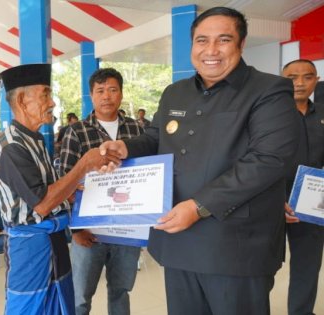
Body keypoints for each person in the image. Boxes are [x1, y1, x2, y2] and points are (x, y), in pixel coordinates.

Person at [109, 7, 301, 314]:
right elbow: (155, 138)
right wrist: (125, 148)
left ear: (241, 44)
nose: (211, 50)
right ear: (192, 46)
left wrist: (199, 206)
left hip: (235, 245)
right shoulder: (175, 92)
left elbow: (268, 160)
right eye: (201, 40)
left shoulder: (268, 90)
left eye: (223, 40)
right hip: (176, 239)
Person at [0, 63, 124, 314]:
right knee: (30, 308)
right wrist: (84, 164)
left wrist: (80, 193)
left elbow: (54, 192)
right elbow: (42, 203)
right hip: (30, 249)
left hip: (54, 242)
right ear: (21, 100)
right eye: (45, 94)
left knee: (61, 305)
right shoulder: (11, 147)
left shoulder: (35, 140)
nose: (52, 103)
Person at [60, 68, 143, 315]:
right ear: (91, 96)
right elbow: (66, 181)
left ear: (121, 93)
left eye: (112, 89)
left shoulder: (137, 130)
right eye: (100, 91)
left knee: (120, 292)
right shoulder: (76, 131)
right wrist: (76, 230)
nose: (106, 96)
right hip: (89, 230)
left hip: (127, 229)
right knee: (80, 298)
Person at [281, 59, 324, 315]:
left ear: (315, 81)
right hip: (270, 201)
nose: (299, 83)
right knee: (262, 267)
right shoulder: (268, 115)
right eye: (291, 77)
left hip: (311, 205)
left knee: (307, 266)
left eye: (307, 77)